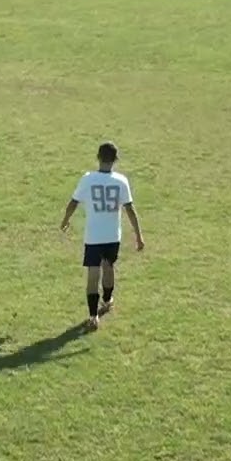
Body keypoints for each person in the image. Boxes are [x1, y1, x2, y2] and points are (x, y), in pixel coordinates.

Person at [58, 141, 145, 331]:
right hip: (113, 235)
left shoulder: (88, 179)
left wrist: (65, 220)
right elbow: (130, 210)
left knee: (93, 274)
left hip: (93, 236)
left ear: (98, 157)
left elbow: (73, 203)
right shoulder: (121, 181)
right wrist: (138, 236)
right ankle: (107, 300)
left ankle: (92, 316)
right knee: (108, 267)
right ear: (115, 160)